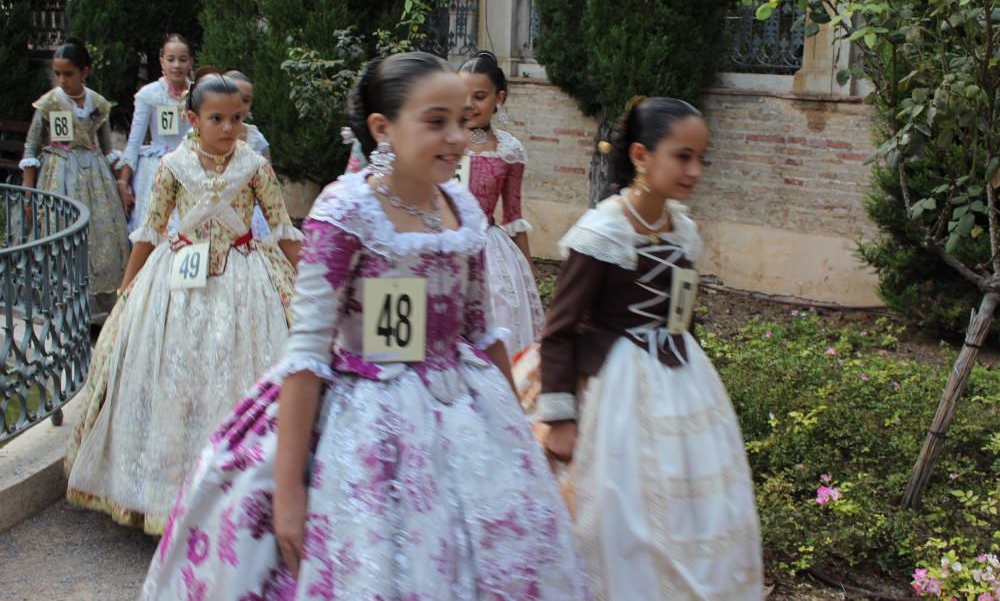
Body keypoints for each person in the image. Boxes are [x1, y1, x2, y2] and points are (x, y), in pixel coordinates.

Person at [140, 52, 589, 599]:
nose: (456, 137)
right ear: (382, 127)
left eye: (462, 122)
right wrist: (288, 494)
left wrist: (517, 435)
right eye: (435, 121)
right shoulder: (346, 211)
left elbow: (481, 331)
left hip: (465, 416)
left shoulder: (465, 211)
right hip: (362, 419)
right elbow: (306, 352)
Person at [537, 97, 763, 599]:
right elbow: (559, 328)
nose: (695, 170)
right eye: (682, 157)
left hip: (681, 379)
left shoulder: (682, 231)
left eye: (701, 158)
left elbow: (682, 314)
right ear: (641, 155)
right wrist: (560, 417)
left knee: (692, 506)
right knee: (625, 511)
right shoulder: (604, 231)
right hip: (617, 390)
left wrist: (704, 390)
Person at [64, 68, 302, 535]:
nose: (230, 128)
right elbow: (150, 231)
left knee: (237, 377)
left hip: (245, 277)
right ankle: (163, 493)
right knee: (178, 381)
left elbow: (282, 227)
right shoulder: (172, 166)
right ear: (193, 119)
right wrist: (128, 291)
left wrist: (309, 282)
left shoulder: (255, 165)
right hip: (177, 281)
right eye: (217, 119)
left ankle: (240, 498)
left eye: (237, 118)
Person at [19, 38, 129, 320]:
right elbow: (31, 147)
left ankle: (99, 306)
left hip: (95, 177)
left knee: (101, 237)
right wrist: (28, 193)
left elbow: (106, 148)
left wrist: (120, 182)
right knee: (60, 233)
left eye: (68, 74)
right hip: (59, 174)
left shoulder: (99, 104)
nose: (62, 80)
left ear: (85, 72)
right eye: (57, 74)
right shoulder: (49, 103)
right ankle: (60, 304)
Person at [458, 50, 544, 360]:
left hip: (491, 254)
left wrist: (529, 277)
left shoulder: (509, 150)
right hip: (443, 244)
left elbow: (513, 216)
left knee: (499, 328)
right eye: (462, 95)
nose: (469, 105)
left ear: (500, 98)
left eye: (479, 96)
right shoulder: (442, 142)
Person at [117, 33, 193, 232]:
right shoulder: (149, 94)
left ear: (190, 62)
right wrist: (124, 180)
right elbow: (134, 140)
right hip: (156, 169)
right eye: (171, 59)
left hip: (191, 165)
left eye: (182, 60)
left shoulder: (198, 94)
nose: (176, 65)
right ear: (162, 61)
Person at [225, 69, 272, 239]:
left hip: (250, 217)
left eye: (245, 101)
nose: (239, 105)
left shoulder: (256, 138)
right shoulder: (199, 135)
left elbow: (269, 184)